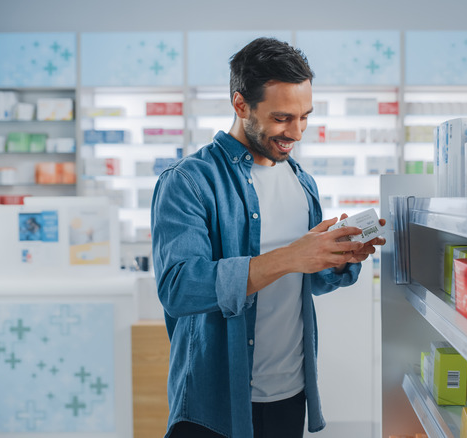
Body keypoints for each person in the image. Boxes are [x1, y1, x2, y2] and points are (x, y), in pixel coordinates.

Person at [151, 37, 386, 438]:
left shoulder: (302, 181)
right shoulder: (188, 182)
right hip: (215, 404)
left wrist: (337, 259)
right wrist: (292, 256)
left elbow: (306, 282)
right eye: (282, 118)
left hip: (290, 393)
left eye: (304, 117)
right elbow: (179, 289)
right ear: (241, 105)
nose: (296, 132)